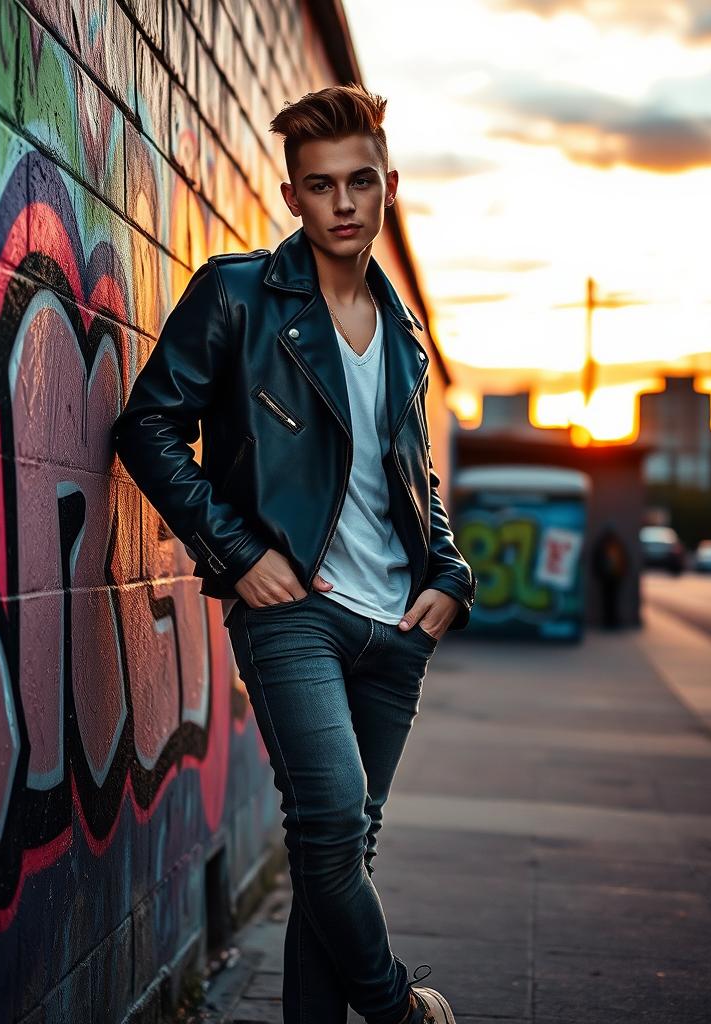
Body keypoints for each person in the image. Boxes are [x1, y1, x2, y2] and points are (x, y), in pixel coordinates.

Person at [111, 83, 476, 1024]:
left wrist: (447, 575)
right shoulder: (237, 296)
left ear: (389, 185)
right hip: (293, 614)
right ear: (293, 197)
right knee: (329, 825)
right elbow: (148, 427)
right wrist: (235, 554)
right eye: (322, 187)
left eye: (361, 182)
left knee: (340, 852)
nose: (344, 204)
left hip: (393, 630)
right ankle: (399, 1011)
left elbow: (416, 480)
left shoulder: (403, 337)